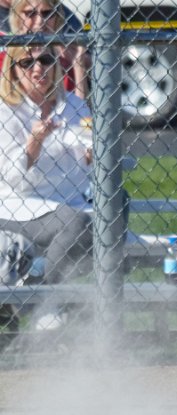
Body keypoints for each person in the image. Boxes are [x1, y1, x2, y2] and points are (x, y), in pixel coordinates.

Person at [0, 45, 93, 328]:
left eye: (46, 59)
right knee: (75, 223)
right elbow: (14, 179)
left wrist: (92, 156)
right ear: (12, 71)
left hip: (71, 199)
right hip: (20, 204)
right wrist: (34, 143)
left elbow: (85, 169)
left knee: (118, 204)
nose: (38, 68)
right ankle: (47, 303)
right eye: (27, 62)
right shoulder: (6, 111)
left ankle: (41, 283)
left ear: (56, 65)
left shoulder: (73, 104)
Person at [9, 0, 88, 99]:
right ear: (17, 17)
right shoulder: (6, 58)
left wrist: (78, 65)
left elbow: (80, 106)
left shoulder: (67, 57)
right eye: (30, 13)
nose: (40, 21)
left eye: (47, 13)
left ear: (57, 17)